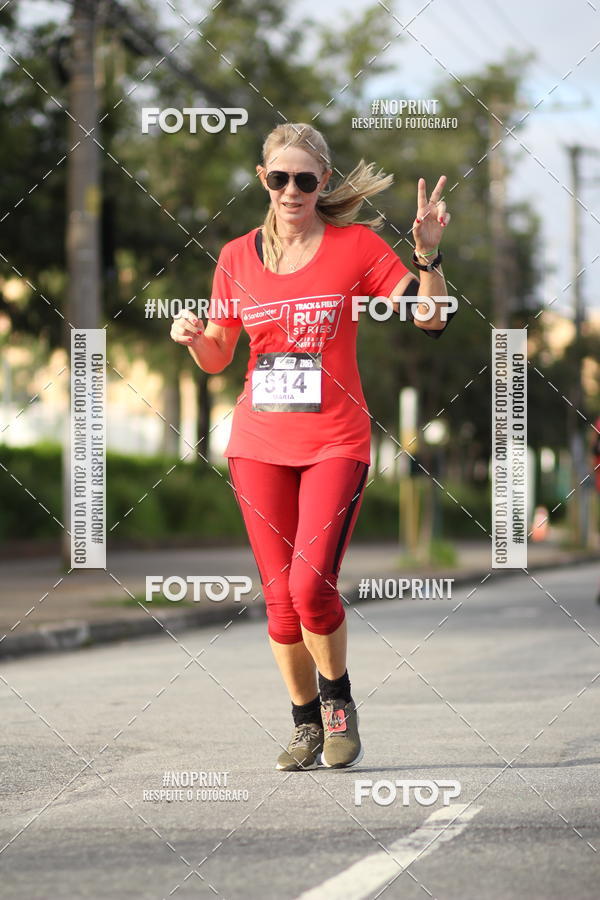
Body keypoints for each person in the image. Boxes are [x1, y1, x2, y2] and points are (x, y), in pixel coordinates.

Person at [170, 122, 454, 770]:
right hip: (258, 443)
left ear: (323, 182)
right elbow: (219, 356)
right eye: (280, 178)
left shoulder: (356, 247)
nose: (292, 189)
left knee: (311, 587)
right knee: (277, 604)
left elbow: (432, 318)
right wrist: (194, 337)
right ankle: (303, 723)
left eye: (305, 178)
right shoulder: (237, 257)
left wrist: (429, 257)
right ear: (264, 180)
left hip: (335, 441)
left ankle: (337, 702)